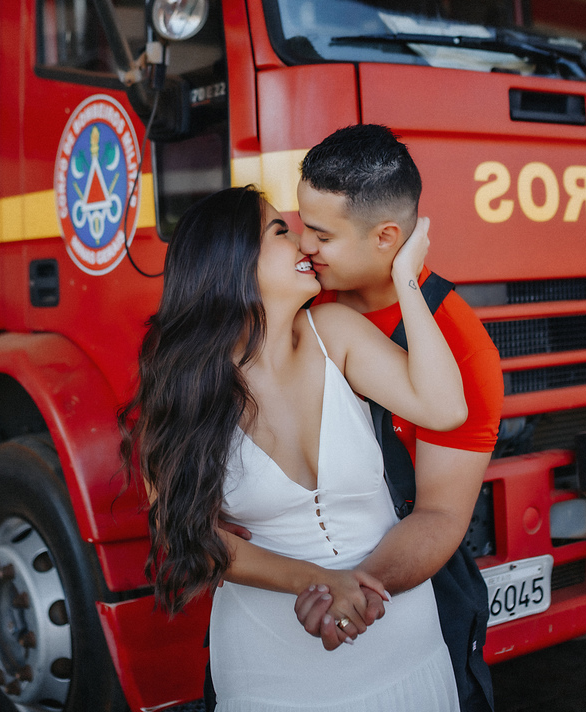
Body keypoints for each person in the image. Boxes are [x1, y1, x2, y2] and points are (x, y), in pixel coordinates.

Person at [121, 185, 468, 710]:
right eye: (279, 231)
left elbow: (445, 408)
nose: (305, 243)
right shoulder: (184, 392)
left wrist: (407, 280)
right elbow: (190, 538)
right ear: (232, 262)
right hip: (273, 669)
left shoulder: (334, 332)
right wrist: (322, 584)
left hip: (406, 647)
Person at [292, 124, 505, 712]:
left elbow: (439, 516)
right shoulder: (295, 296)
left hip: (407, 607)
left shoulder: (463, 351)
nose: (303, 246)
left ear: (388, 236)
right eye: (302, 224)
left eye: (321, 233)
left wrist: (352, 592)